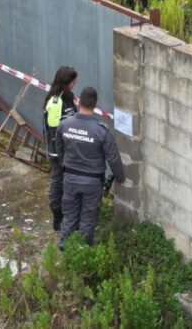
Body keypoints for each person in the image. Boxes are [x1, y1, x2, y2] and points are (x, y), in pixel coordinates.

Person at [56, 86, 125, 247]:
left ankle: (64, 245)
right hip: (92, 182)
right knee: (88, 215)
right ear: (96, 105)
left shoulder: (65, 125)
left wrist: (63, 162)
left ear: (79, 102)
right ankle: (83, 248)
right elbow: (113, 158)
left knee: (70, 213)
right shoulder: (101, 131)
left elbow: (58, 147)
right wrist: (120, 178)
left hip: (70, 178)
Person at [44, 66, 78, 231]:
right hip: (59, 154)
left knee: (68, 184)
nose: (75, 83)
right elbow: (55, 132)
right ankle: (57, 217)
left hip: (69, 151)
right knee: (57, 183)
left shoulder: (68, 97)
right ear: (67, 82)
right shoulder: (56, 102)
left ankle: (68, 214)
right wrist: (62, 157)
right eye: (73, 81)